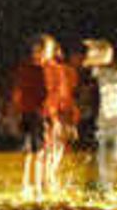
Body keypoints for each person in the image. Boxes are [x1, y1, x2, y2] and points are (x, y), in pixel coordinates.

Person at [8, 34, 78, 198]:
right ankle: (29, 186)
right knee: (31, 152)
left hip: (47, 115)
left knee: (46, 152)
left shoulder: (54, 70)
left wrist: (64, 116)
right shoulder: (26, 69)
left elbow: (61, 95)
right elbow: (18, 92)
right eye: (35, 50)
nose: (37, 54)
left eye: (41, 51)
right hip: (30, 114)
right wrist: (15, 111)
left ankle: (45, 183)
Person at [79, 39, 117, 198]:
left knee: (102, 155)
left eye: (90, 53)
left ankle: (103, 187)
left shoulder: (96, 74)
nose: (86, 57)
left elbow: (87, 97)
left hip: (104, 121)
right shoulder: (116, 73)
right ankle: (109, 184)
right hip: (116, 119)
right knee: (110, 154)